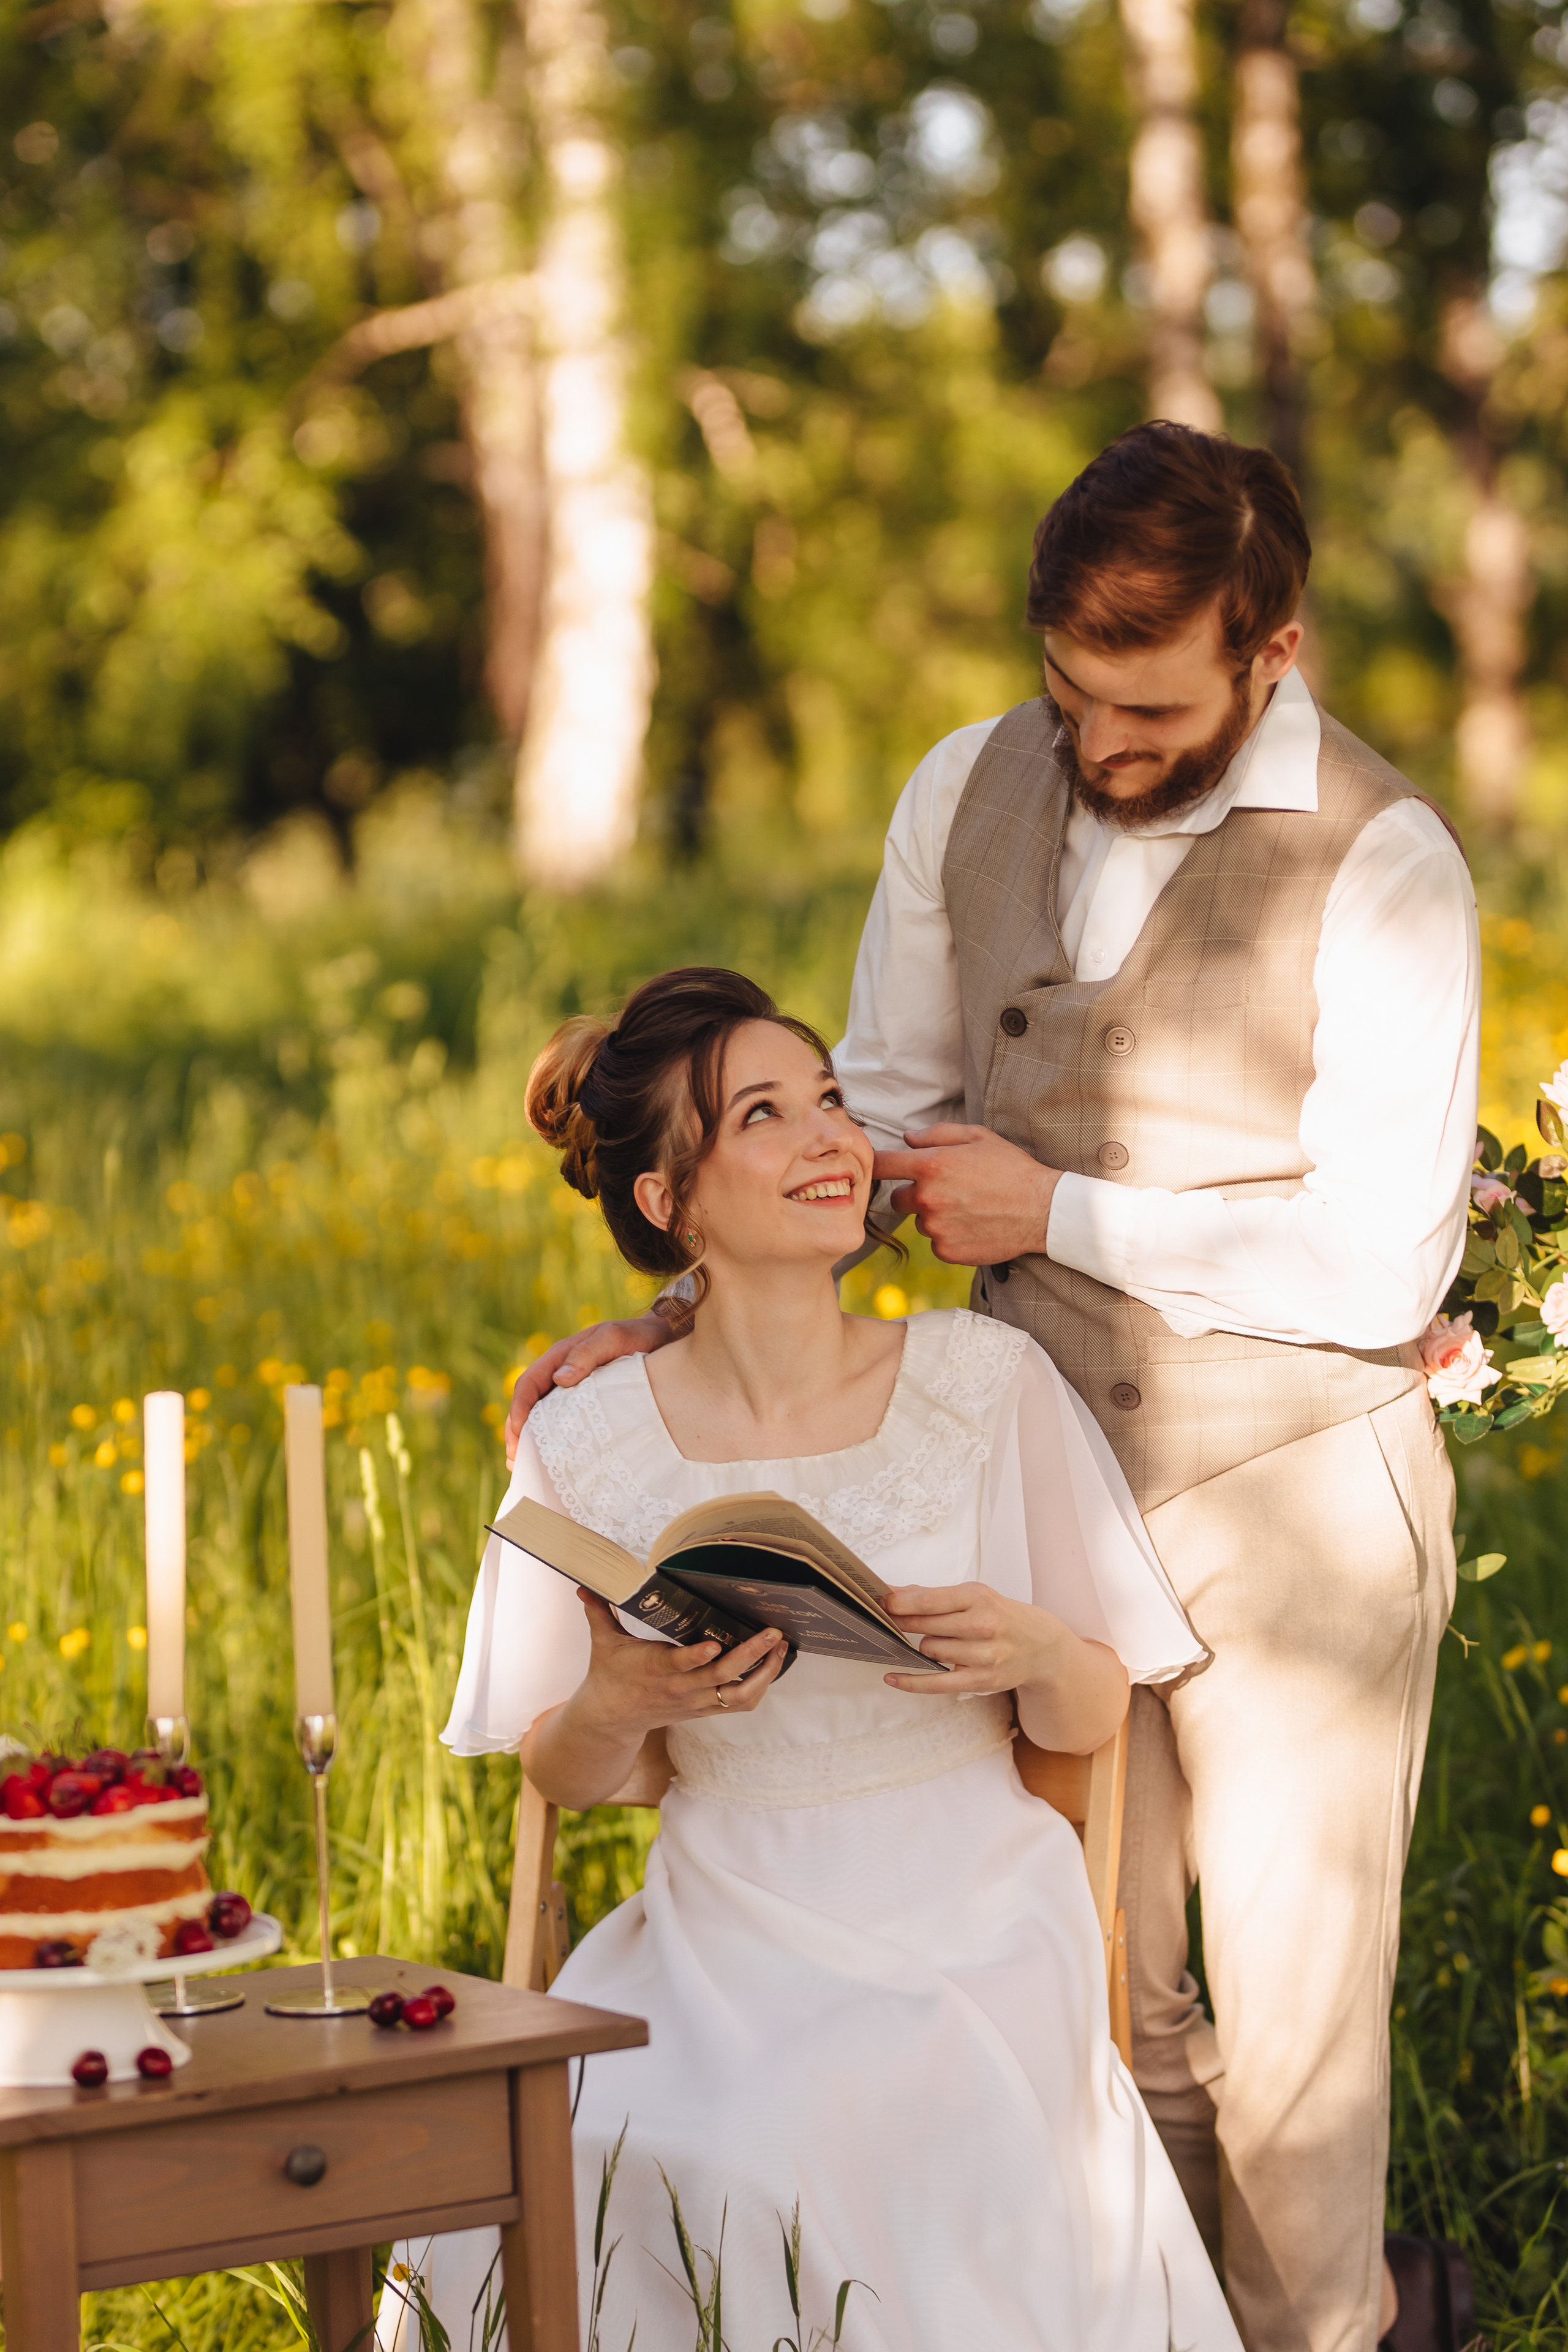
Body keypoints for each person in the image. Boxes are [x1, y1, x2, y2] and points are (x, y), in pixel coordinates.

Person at [505, 426, 1481, 2352]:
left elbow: (1387, 1267)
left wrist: (1065, 1210)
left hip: (1290, 1494)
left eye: (1146, 707)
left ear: (1270, 651)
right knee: (1103, 2014)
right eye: (1069, 695)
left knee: (1292, 2058)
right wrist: (685, 1318)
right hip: (1031, 1502)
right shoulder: (967, 787)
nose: (1098, 746)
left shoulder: (1390, 863)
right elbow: (875, 1102)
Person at [392, 965, 1243, 2352]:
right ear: (668, 1203)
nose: (832, 1140)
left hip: (966, 1910)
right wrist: (616, 1696)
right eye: (767, 1116)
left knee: (820, 2119)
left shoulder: (982, 1380)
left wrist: (1029, 1643)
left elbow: (1096, 1709)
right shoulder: (584, 1437)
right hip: (719, 1912)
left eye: (833, 1101)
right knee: (601, 2129)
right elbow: (566, 1770)